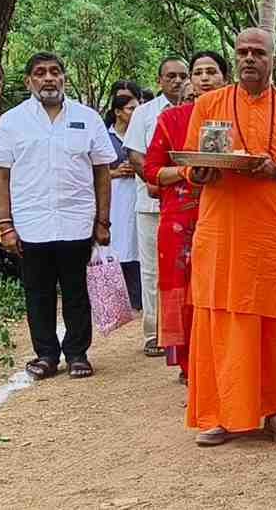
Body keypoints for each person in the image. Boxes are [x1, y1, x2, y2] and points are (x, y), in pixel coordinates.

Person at [180, 28, 276, 447]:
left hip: (271, 238)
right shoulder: (209, 104)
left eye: (257, 52)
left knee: (272, 327)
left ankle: (274, 410)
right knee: (219, 325)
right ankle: (219, 415)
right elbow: (193, 163)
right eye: (242, 52)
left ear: (272, 59)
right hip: (222, 236)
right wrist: (200, 171)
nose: (249, 59)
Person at [0, 52, 116, 380]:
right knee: (38, 292)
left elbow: (102, 170)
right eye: (41, 73)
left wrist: (103, 221)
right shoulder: (12, 121)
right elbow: (0, 175)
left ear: (64, 78)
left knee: (76, 291)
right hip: (31, 225)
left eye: (55, 72)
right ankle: (45, 354)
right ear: (29, 80)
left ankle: (77, 353)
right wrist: (6, 225)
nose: (48, 78)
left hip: (77, 222)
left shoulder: (87, 117)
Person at [144, 50, 230, 384]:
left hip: (226, 215)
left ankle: (221, 361)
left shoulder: (235, 116)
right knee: (182, 293)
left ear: (225, 78)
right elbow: (151, 171)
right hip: (179, 220)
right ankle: (190, 366)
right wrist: (187, 173)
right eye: (199, 72)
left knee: (220, 291)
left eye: (212, 71)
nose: (205, 78)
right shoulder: (172, 120)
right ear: (191, 80)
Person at [123, 56, 189, 357]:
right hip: (152, 203)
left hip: (192, 205)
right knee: (152, 271)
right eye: (170, 76)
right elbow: (137, 156)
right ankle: (154, 332)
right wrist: (160, 187)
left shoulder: (206, 110)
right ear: (159, 80)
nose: (177, 81)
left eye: (181, 75)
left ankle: (185, 332)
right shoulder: (145, 113)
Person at [104, 83, 143, 312]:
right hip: (115, 198)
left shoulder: (139, 135)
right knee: (117, 243)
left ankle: (137, 297)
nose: (134, 113)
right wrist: (117, 172)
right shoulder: (106, 136)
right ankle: (115, 298)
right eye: (130, 109)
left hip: (136, 195)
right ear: (118, 112)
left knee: (136, 244)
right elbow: (92, 170)